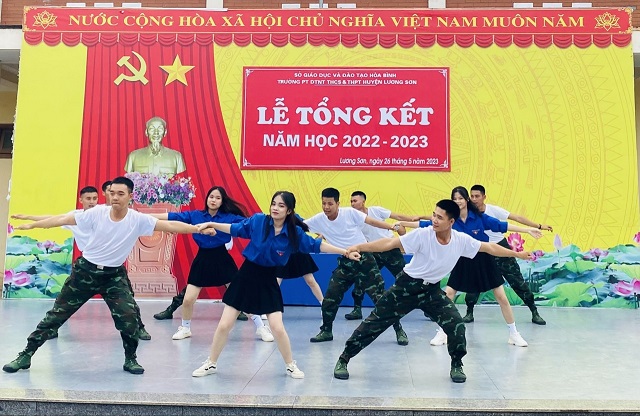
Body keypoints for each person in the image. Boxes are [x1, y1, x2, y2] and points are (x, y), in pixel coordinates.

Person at [2, 176, 213, 375]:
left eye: (120, 194)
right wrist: (33, 224)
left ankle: (130, 359)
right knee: (56, 315)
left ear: (130, 196)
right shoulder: (96, 213)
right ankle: (26, 355)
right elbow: (63, 219)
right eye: (112, 193)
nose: (115, 197)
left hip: (113, 276)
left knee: (128, 317)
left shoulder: (137, 219)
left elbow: (170, 225)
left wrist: (197, 229)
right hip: (85, 272)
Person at [332, 200, 533, 383]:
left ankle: (457, 364)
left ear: (451, 221)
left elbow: (489, 247)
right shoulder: (423, 234)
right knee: (373, 324)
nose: (434, 220)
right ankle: (344, 358)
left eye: (439, 217)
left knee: (456, 325)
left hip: (431, 291)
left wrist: (516, 254)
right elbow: (390, 243)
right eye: (434, 215)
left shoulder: (461, 240)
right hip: (406, 287)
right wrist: (359, 246)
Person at [191, 191, 360, 379]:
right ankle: (211, 363)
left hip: (268, 278)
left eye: (281, 205)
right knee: (224, 325)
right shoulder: (258, 221)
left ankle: (290, 365)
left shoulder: (294, 233)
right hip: (246, 275)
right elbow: (234, 228)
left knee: (277, 328)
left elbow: (317, 245)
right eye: (273, 204)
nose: (275, 208)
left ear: (289, 211)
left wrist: (345, 252)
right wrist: (212, 224)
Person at [399, 186, 542, 348]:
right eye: (455, 199)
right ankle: (442, 333)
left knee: (501, 297)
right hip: (463, 260)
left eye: (460, 198)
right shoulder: (451, 220)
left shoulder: (480, 217)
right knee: (449, 294)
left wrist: (527, 230)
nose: (458, 201)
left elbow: (502, 225)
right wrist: (401, 223)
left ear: (466, 200)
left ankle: (514, 334)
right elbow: (424, 224)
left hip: (484, 259)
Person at [150, 186, 273, 342]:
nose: (213, 200)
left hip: (222, 259)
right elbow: (172, 216)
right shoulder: (196, 215)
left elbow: (250, 224)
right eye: (211, 197)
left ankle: (261, 328)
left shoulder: (229, 217)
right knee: (188, 299)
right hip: (202, 259)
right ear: (207, 198)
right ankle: (185, 328)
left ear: (222, 201)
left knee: (241, 295)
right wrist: (145, 216)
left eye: (217, 198)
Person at [304, 188, 409, 346]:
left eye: (330, 204)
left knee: (381, 299)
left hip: (364, 260)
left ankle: (399, 330)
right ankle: (326, 331)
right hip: (345, 262)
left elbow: (371, 221)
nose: (326, 207)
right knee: (331, 296)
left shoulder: (349, 213)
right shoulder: (318, 219)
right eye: (324, 203)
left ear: (338, 203)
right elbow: (298, 226)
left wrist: (391, 227)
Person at [465, 184, 553, 325]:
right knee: (474, 282)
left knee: (517, 281)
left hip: (501, 248)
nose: (474, 199)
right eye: (472, 196)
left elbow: (516, 217)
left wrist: (538, 226)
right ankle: (469, 312)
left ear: (484, 197)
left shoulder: (493, 210)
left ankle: (534, 312)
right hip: (481, 250)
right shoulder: (467, 213)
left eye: (477, 196)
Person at [344, 190, 419, 320]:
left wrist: (412, 219)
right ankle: (357, 309)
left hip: (390, 250)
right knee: (361, 280)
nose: (352, 204)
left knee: (407, 278)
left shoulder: (376, 211)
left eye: (355, 201)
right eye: (351, 201)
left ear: (363, 201)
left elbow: (397, 216)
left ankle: (427, 308)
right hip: (372, 252)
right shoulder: (352, 218)